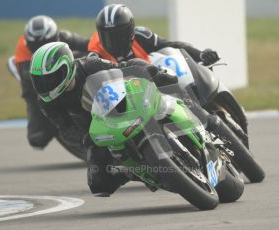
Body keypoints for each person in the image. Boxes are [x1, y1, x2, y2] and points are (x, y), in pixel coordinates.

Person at [29, 42, 177, 196]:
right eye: (40, 81)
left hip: (123, 108)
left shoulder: (90, 65)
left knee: (157, 96)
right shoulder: (46, 102)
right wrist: (86, 139)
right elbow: (65, 129)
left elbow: (124, 66)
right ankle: (129, 173)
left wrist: (151, 71)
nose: (46, 85)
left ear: (67, 67)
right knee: (98, 185)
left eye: (51, 78)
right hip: (99, 135)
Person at [13, 15, 89, 149]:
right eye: (36, 45)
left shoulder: (65, 37)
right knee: (37, 139)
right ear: (28, 43)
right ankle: (55, 120)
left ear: (55, 36)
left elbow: (90, 44)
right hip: (36, 86)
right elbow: (27, 76)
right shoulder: (23, 51)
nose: (42, 48)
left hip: (70, 73)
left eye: (46, 42)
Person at [87, 4, 220, 65]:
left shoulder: (142, 36)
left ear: (130, 33)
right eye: (107, 36)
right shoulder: (95, 55)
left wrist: (200, 54)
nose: (113, 42)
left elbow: (172, 46)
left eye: (118, 36)